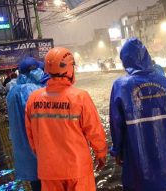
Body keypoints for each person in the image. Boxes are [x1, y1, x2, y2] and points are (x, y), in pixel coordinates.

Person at [25, 47, 107, 191]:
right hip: (77, 169)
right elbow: (94, 130)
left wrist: (44, 156)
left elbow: (31, 137)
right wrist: (100, 153)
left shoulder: (33, 99)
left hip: (48, 170)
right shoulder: (80, 97)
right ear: (69, 69)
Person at [109, 38, 166, 191]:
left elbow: (116, 123)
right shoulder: (163, 82)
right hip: (163, 154)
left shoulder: (120, 85)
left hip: (134, 154)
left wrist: (117, 150)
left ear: (125, 59)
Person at [6, 57, 45, 191]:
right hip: (41, 153)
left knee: (35, 184)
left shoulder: (12, 91)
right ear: (33, 71)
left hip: (24, 155)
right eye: (39, 69)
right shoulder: (33, 91)